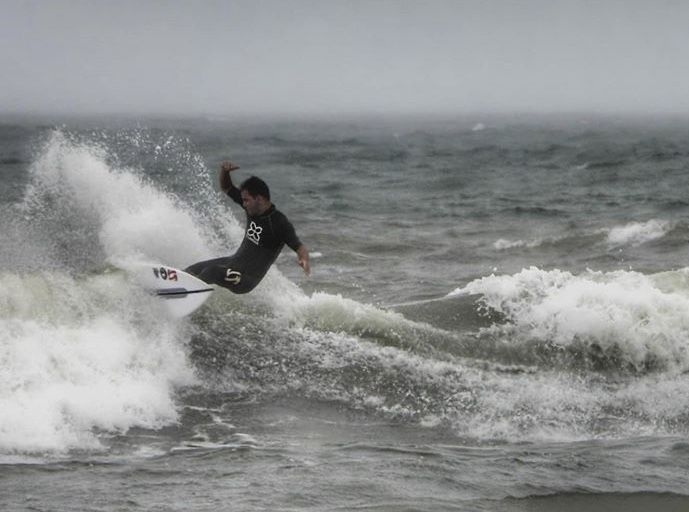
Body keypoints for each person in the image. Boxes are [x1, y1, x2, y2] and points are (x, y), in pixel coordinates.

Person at [185, 161, 310, 294]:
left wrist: (304, 260)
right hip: (232, 263)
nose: (243, 204)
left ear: (259, 199)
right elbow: (226, 187)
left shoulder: (279, 223)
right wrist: (225, 172)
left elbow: (299, 247)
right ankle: (170, 287)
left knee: (212, 272)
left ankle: (184, 295)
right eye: (243, 200)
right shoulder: (252, 208)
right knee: (191, 270)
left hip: (246, 279)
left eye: (246, 200)